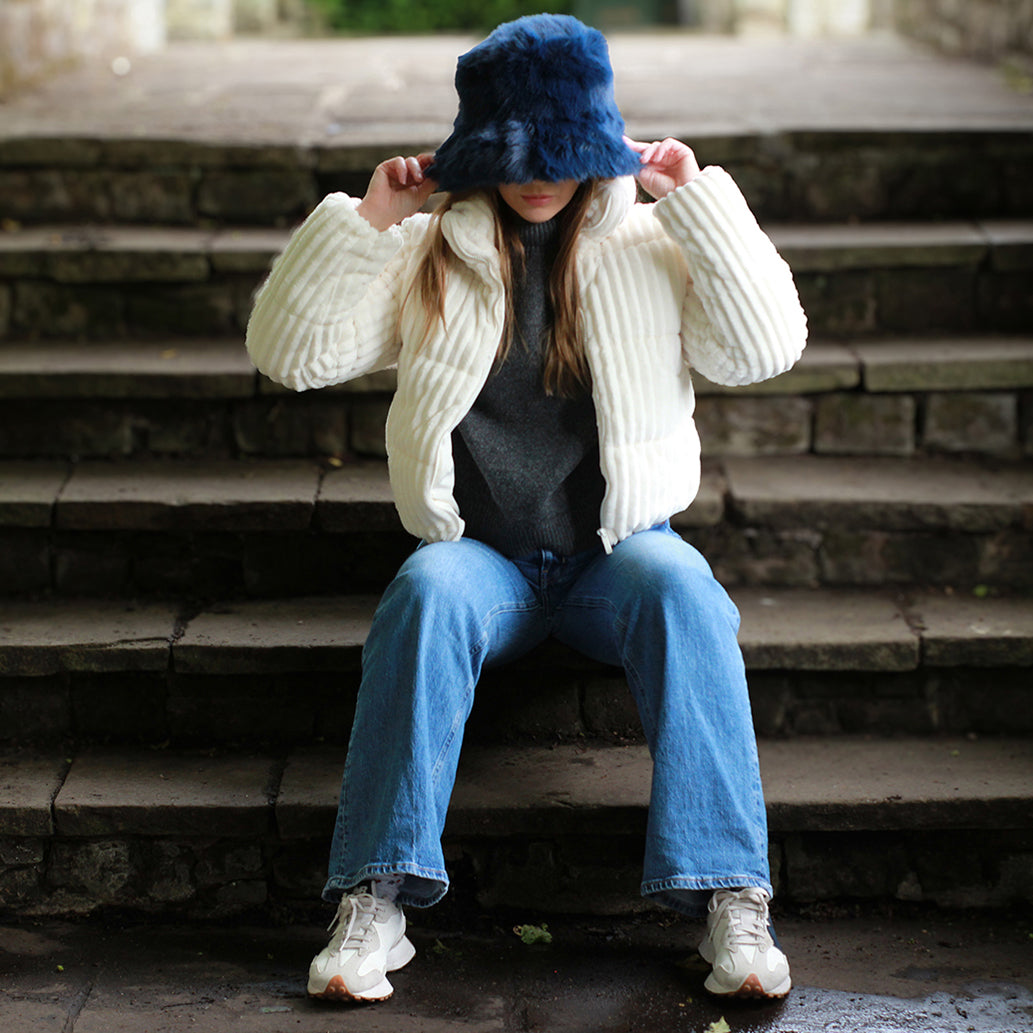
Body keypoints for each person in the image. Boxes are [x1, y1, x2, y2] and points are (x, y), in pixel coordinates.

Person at [246, 12, 806, 1005]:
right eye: (514, 157)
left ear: (595, 142)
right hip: (483, 563)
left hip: (618, 554)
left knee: (685, 590)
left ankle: (731, 892)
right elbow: (290, 357)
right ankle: (374, 899)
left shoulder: (645, 240)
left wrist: (699, 205)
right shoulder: (432, 249)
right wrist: (367, 220)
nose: (537, 176)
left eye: (557, 154)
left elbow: (761, 350)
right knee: (423, 592)